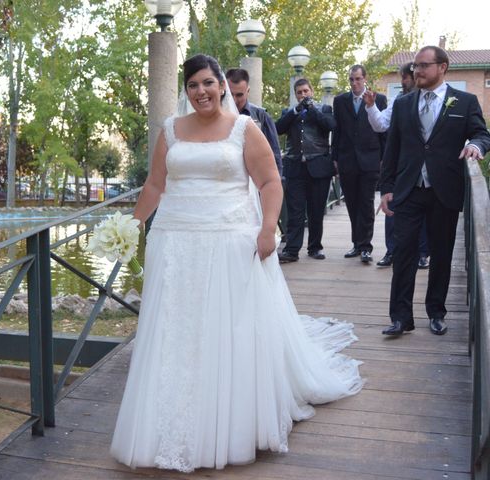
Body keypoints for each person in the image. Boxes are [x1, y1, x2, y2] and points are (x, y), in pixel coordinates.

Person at [110, 54, 363, 473]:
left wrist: (267, 229)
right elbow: (156, 184)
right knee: (177, 329)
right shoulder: (170, 131)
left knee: (226, 326)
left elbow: (269, 182)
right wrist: (128, 226)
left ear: (222, 86)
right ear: (186, 90)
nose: (201, 91)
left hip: (228, 239)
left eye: (208, 83)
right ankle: (167, 420)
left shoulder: (245, 129)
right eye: (193, 85)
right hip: (175, 241)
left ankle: (229, 420)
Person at [379, 46, 490, 336]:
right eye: (415, 66)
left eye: (424, 66)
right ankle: (401, 318)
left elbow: (481, 133)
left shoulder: (464, 102)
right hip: (409, 190)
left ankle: (436, 312)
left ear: (443, 67)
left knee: (441, 253)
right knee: (403, 253)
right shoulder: (403, 104)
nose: (417, 71)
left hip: (445, 190)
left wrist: (475, 146)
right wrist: (386, 188)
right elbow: (392, 149)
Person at [363, 63, 430, 269]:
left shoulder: (433, 102)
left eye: (405, 78)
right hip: (400, 167)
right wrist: (371, 106)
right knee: (392, 210)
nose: (402, 82)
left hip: (426, 169)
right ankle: (392, 251)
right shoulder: (399, 101)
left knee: (424, 213)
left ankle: (423, 253)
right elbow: (381, 124)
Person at [276, 78, 336, 263]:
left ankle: (315, 247)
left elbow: (330, 126)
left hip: (319, 166)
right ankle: (292, 250)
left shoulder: (324, 110)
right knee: (295, 211)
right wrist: (295, 111)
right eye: (299, 92)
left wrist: (312, 109)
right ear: (295, 95)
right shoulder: (289, 112)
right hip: (295, 168)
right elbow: (278, 128)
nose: (303, 95)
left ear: (312, 91)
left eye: (305, 91)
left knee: (316, 211)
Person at [332, 65, 387, 264]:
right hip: (347, 160)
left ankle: (366, 247)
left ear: (365, 79)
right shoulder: (339, 101)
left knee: (366, 203)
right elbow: (336, 131)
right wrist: (335, 158)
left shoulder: (378, 99)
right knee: (352, 204)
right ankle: (357, 243)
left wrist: (383, 158)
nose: (354, 83)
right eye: (351, 80)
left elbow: (383, 131)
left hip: (370, 160)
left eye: (357, 79)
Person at [226, 68, 282, 175]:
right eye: (230, 94)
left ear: (248, 91)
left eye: (239, 95)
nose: (234, 100)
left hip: (256, 180)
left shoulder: (262, 116)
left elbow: (274, 155)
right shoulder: (213, 116)